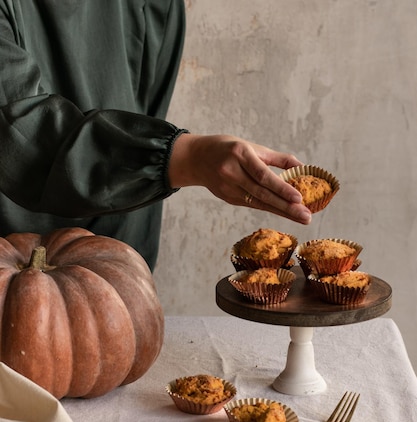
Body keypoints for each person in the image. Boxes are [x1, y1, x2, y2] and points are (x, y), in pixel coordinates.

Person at [0, 0, 310, 271]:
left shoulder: (158, 5)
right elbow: (22, 139)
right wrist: (188, 158)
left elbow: (146, 111)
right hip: (9, 269)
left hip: (119, 260)